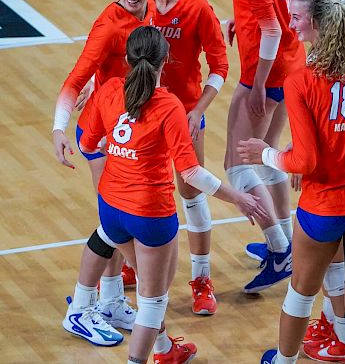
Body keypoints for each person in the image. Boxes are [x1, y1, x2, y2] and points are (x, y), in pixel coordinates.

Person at [238, 0, 345, 364]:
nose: (291, 23)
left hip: (323, 209)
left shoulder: (302, 80)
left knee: (300, 294)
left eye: (296, 18)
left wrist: (264, 153)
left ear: (316, 24)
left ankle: (283, 361)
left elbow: (306, 161)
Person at [79, 25, 266, 364]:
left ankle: (165, 349)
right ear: (166, 61)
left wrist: (115, 145)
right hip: (150, 213)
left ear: (127, 59)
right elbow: (191, 172)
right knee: (153, 299)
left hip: (111, 208)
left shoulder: (107, 91)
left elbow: (87, 144)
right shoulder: (168, 105)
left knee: (151, 287)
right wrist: (236, 197)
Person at [53, 0, 155, 345]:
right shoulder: (108, 25)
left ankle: (110, 300)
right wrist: (57, 129)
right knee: (112, 221)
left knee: (118, 220)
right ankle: (80, 309)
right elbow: (75, 77)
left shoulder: (152, 11)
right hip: (102, 133)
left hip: (127, 129)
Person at [136, 0, 229, 316]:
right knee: (139, 190)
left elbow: (220, 67)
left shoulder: (197, 9)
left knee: (190, 189)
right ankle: (132, 262)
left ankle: (202, 279)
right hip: (143, 111)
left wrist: (197, 111)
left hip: (184, 113)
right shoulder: (138, 1)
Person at [222, 0, 305, 293]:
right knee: (269, 157)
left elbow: (271, 27)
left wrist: (255, 86)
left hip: (266, 73)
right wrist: (243, 19)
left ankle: (279, 248)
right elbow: (283, 8)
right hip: (292, 66)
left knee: (237, 164)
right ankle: (289, 241)